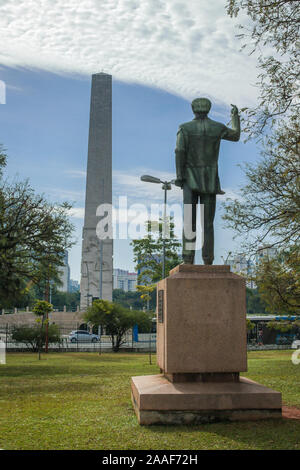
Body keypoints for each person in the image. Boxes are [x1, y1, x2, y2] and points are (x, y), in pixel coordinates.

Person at [175, 98, 240, 264]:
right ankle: (208, 259)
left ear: (193, 109)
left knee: (189, 220)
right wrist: (235, 117)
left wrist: (180, 176)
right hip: (210, 180)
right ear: (209, 109)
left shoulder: (185, 128)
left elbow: (180, 151)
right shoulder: (217, 128)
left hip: (189, 179)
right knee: (208, 224)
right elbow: (236, 135)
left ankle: (188, 259)